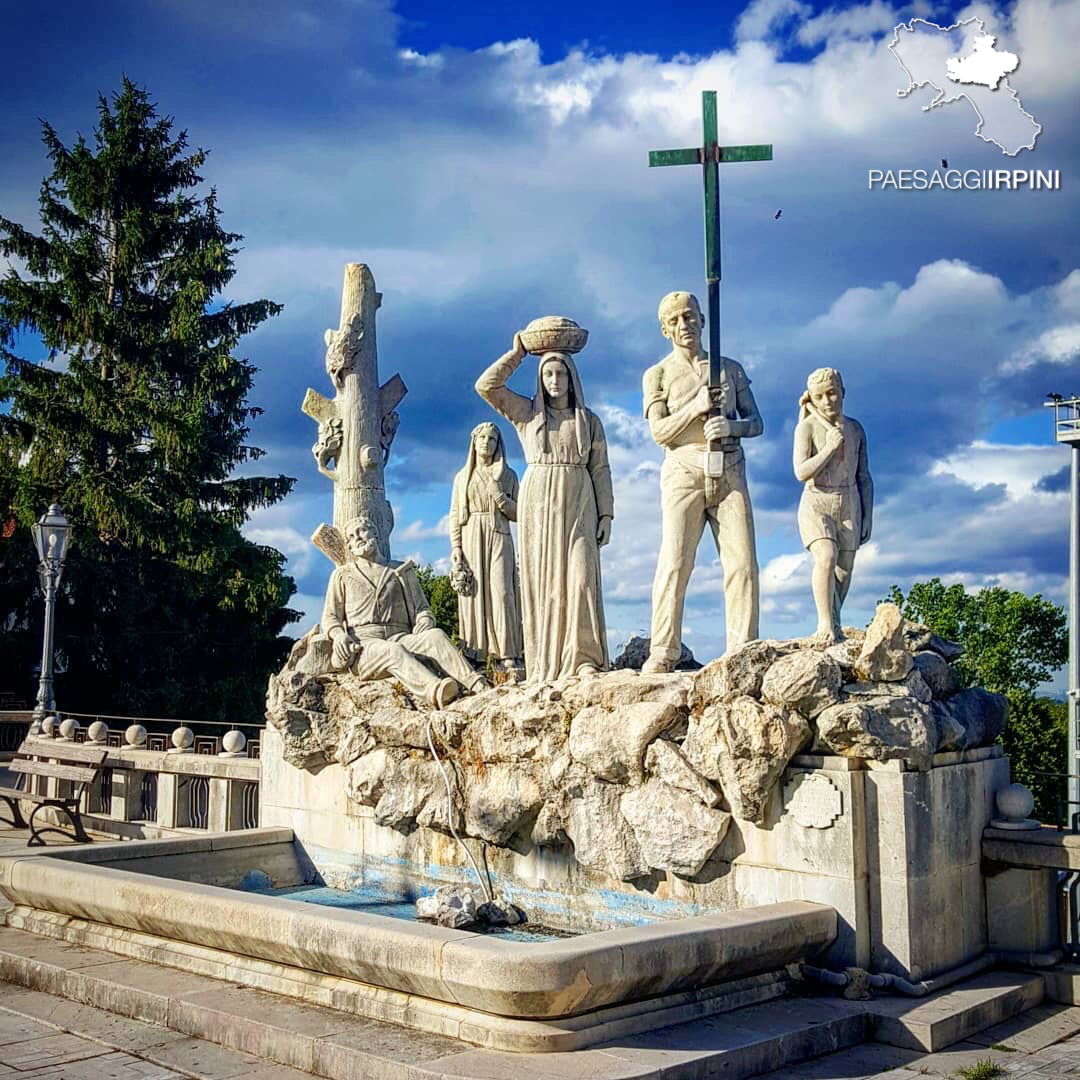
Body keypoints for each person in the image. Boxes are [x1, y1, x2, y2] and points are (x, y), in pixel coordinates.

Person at [475, 333, 612, 682]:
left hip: (580, 499)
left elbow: (601, 468)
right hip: (540, 502)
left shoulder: (589, 421)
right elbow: (486, 386)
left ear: (571, 377)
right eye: (548, 374)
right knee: (546, 585)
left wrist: (607, 513)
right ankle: (547, 663)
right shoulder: (526, 414)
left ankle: (584, 660)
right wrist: (517, 352)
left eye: (560, 373)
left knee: (581, 578)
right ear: (540, 378)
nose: (554, 381)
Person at [641, 292, 763, 673]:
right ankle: (663, 649)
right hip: (684, 468)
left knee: (742, 562)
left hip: (728, 466)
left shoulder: (728, 368)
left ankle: (742, 647)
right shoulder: (658, 374)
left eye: (690, 317)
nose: (684, 325)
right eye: (675, 320)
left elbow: (756, 423)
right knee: (675, 561)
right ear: (665, 329)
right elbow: (660, 432)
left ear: (702, 320)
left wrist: (732, 425)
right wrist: (694, 406)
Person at [321, 515, 489, 708]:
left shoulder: (399, 570)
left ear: (374, 533)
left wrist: (425, 620)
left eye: (361, 531)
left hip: (400, 636)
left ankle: (478, 685)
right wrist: (339, 635)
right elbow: (330, 617)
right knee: (393, 651)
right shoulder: (342, 575)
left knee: (436, 636)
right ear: (349, 547)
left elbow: (422, 610)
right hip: (365, 647)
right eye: (351, 536)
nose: (357, 537)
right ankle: (436, 691)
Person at [793, 367, 873, 643]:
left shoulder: (855, 429)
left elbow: (864, 476)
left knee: (844, 568)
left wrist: (868, 516)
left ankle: (835, 621)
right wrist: (828, 448)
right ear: (812, 400)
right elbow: (801, 472)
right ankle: (825, 624)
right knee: (826, 556)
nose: (827, 401)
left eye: (832, 393)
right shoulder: (808, 427)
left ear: (842, 393)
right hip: (817, 500)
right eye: (820, 396)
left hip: (850, 501)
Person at [449, 422, 524, 669]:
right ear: (474, 441)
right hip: (472, 536)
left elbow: (520, 513)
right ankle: (476, 653)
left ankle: (507, 651)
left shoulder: (508, 475)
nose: (486, 443)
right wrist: (456, 547)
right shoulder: (462, 477)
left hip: (499, 533)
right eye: (482, 437)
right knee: (473, 594)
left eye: (492, 439)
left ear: (498, 444)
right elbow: (454, 514)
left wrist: (500, 497)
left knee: (503, 592)